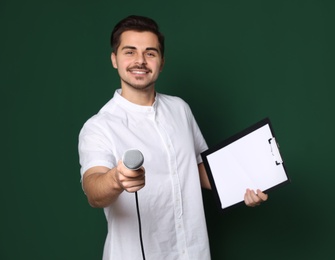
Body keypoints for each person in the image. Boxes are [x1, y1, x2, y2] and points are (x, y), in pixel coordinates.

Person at [78, 15, 268, 260]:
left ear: (162, 61)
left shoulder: (180, 109)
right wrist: (116, 179)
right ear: (114, 59)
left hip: (194, 252)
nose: (140, 61)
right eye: (129, 52)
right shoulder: (99, 126)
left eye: (150, 53)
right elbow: (93, 190)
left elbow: (197, 168)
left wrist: (245, 184)